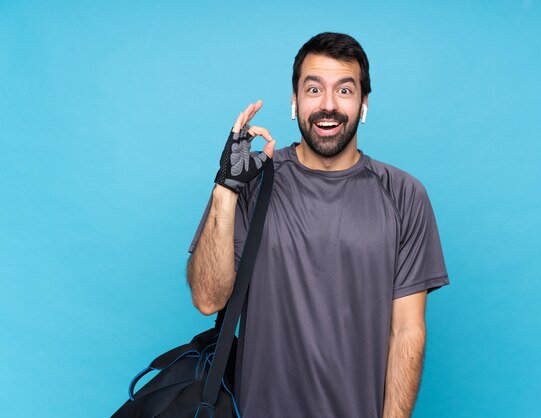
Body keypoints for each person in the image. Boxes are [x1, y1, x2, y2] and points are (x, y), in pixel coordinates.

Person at [186, 32, 449, 418]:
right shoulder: (251, 183)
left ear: (363, 104)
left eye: (344, 91)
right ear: (295, 102)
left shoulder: (404, 195)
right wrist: (226, 189)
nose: (328, 105)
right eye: (313, 89)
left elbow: (407, 331)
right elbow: (208, 299)